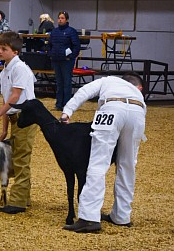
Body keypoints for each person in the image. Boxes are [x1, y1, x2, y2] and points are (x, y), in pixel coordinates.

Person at [60, 72, 147, 233]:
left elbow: (85, 91)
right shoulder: (137, 94)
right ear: (138, 87)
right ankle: (122, 216)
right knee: (127, 166)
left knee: (98, 164)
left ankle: (89, 218)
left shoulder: (108, 80)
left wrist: (67, 111)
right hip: (138, 112)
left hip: (111, 109)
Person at [0, 31, 37, 214]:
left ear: (15, 51)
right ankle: (24, 197)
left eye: (4, 48)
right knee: (18, 157)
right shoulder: (5, 71)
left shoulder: (20, 69)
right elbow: (6, 99)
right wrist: (4, 128)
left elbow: (15, 96)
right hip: (16, 118)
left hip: (26, 117)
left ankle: (17, 202)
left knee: (21, 159)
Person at [48, 11, 80, 111]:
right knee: (59, 82)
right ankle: (58, 104)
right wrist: (51, 53)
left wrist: (71, 57)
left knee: (66, 82)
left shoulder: (71, 31)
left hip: (66, 61)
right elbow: (49, 44)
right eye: (59, 18)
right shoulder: (54, 31)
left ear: (66, 20)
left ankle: (67, 104)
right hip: (56, 60)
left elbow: (76, 46)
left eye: (62, 18)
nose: (60, 20)